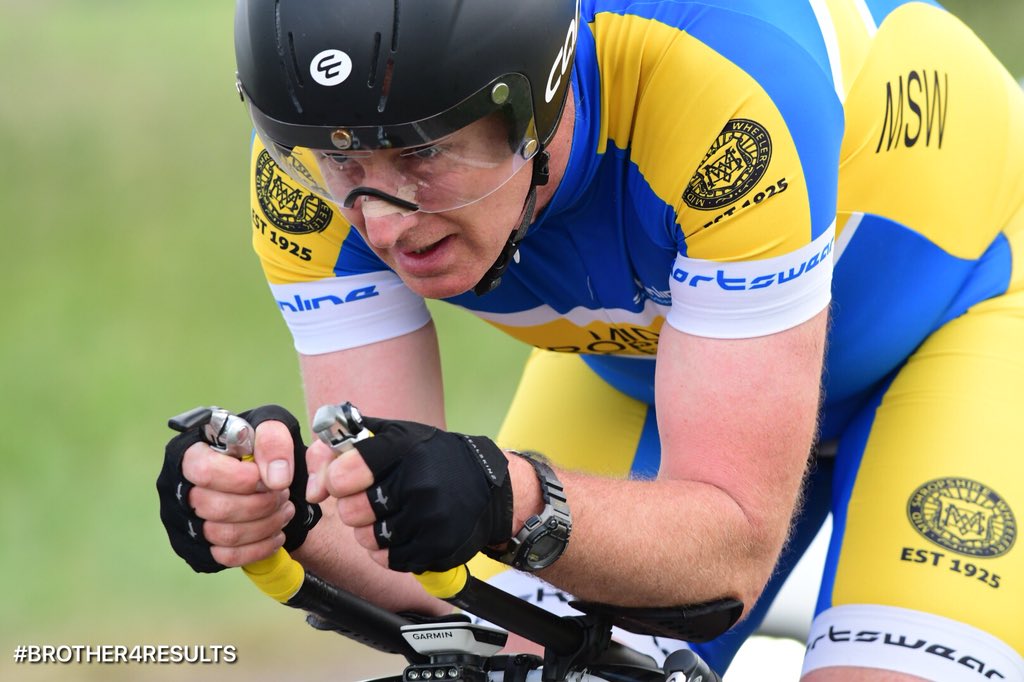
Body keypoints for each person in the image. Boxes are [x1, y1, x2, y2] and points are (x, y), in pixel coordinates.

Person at [158, 0, 1024, 679]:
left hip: (960, 322)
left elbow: (727, 551)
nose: (381, 218)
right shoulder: (311, 156)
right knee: (532, 666)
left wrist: (512, 499)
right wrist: (284, 509)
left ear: (535, 101)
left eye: (423, 154)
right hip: (654, 365)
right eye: (344, 165)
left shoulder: (719, 83)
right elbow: (410, 553)